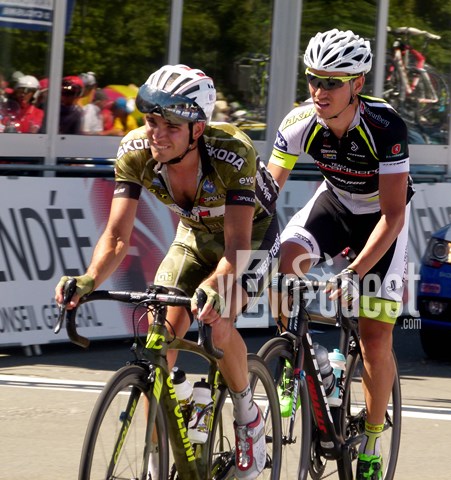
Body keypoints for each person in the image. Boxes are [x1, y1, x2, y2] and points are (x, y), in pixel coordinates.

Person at [54, 64, 280, 479]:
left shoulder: (232, 152)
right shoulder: (135, 151)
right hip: (194, 236)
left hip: (251, 237)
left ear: (198, 130)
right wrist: (87, 280)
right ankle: (157, 455)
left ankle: (248, 417)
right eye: (152, 121)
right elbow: (117, 237)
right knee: (160, 333)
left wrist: (214, 286)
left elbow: (235, 247)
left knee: (218, 320)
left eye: (171, 126)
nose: (156, 134)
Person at [267, 29, 412, 479]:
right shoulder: (299, 123)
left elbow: (393, 216)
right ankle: (300, 359)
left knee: (375, 338)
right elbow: (264, 197)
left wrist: (354, 271)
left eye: (332, 82)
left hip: (381, 218)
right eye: (313, 79)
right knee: (282, 265)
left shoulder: (385, 127)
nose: (319, 90)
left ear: (357, 84)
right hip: (334, 202)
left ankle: (370, 441)